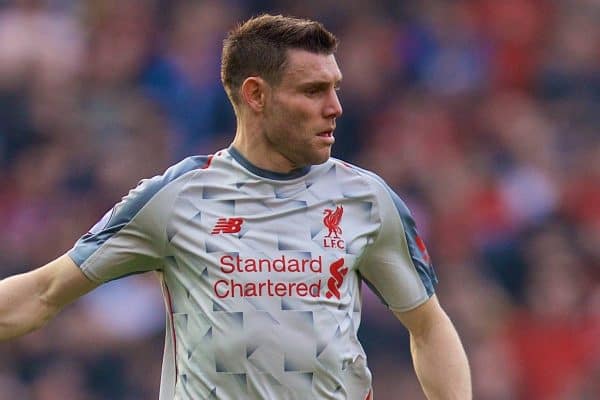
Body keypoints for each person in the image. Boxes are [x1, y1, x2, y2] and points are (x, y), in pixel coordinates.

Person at [0, 14, 471, 400]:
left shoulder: (366, 198)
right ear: (256, 95)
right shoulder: (178, 197)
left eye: (336, 88)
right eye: (313, 91)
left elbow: (428, 326)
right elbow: (43, 293)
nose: (335, 107)